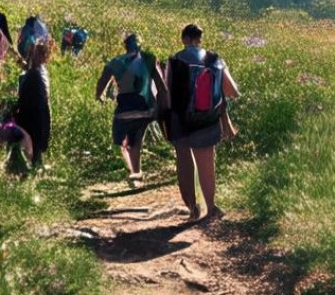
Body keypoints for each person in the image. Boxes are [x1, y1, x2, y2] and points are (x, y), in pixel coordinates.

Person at [166, 24, 239, 222]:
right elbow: (232, 91)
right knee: (206, 164)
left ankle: (192, 208)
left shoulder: (174, 60)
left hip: (180, 120)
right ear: (200, 39)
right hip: (207, 119)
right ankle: (211, 207)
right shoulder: (214, 59)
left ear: (184, 39)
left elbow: (166, 92)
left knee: (184, 163)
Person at [95, 33, 168, 187]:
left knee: (121, 143)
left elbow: (101, 83)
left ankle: (133, 173)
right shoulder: (150, 58)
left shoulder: (115, 62)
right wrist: (163, 107)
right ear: (140, 45)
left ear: (125, 46)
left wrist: (100, 96)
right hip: (146, 110)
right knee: (136, 141)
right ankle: (137, 174)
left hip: (124, 112)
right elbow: (161, 86)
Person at [12, 39, 52, 170]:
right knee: (37, 137)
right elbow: (42, 93)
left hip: (32, 108)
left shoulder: (32, 71)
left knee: (35, 137)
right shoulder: (36, 72)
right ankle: (34, 164)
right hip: (36, 109)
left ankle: (34, 163)